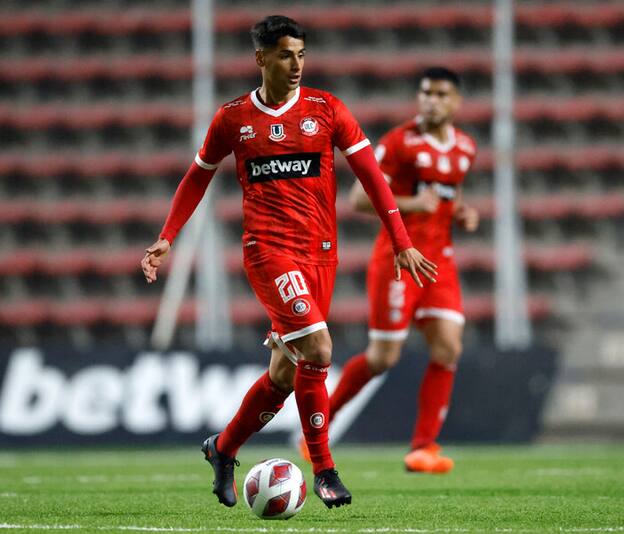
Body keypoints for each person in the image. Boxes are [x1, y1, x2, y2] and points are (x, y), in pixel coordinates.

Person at [140, 15, 437, 509]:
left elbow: (373, 177)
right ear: (261, 58)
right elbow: (197, 177)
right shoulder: (233, 119)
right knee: (319, 350)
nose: (296, 64)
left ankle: (223, 447)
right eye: (284, 55)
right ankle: (324, 469)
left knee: (284, 372)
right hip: (267, 252)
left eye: (301, 54)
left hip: (321, 254)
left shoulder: (326, 109)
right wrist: (167, 237)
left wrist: (400, 238)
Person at [299, 67, 479, 473]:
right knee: (383, 358)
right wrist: (416, 206)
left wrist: (461, 213)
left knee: (449, 346)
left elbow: (449, 195)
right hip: (398, 261)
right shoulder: (398, 143)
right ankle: (316, 431)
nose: (431, 100)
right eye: (425, 93)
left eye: (440, 94)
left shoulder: (465, 147)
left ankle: (424, 448)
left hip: (440, 264)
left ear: (456, 102)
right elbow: (359, 198)